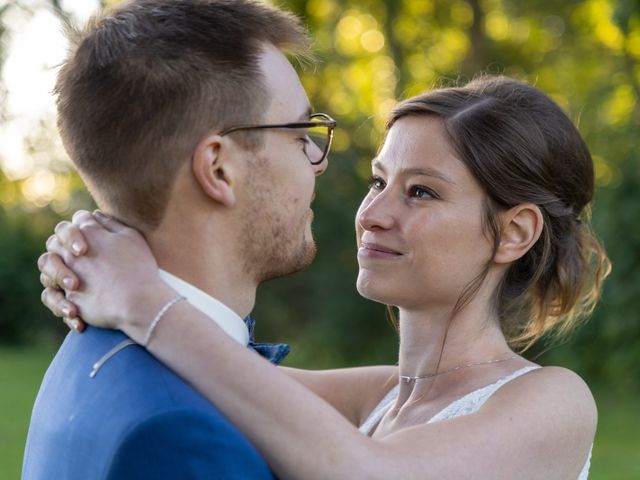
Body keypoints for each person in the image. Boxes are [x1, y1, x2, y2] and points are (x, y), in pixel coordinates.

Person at [39, 76, 610, 479]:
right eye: (377, 181)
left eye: (420, 192)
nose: (373, 214)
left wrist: (141, 298)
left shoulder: (553, 401)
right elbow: (216, 366)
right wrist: (90, 254)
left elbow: (366, 473)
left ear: (514, 233)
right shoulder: (382, 395)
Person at [23, 0, 336, 478]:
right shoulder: (184, 432)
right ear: (218, 168)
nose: (318, 159)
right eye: (299, 133)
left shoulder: (94, 352)